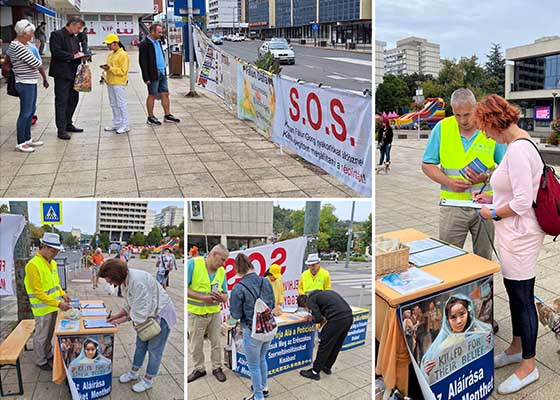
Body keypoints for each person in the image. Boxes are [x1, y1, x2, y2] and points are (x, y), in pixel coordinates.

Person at [472, 94, 545, 394]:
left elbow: (522, 201)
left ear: (493, 121)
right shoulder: (523, 143)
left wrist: (492, 212)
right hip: (518, 234)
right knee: (517, 295)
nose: (486, 134)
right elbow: (518, 189)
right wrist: (492, 197)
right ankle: (516, 347)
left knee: (522, 298)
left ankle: (529, 365)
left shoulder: (516, 151)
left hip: (520, 236)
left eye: (485, 127)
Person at [100, 258, 177, 393]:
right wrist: (116, 316)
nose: (109, 283)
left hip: (160, 315)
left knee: (154, 350)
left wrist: (119, 321)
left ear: (115, 275)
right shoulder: (125, 281)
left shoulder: (137, 281)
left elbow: (140, 311)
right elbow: (129, 304)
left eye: (109, 280)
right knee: (140, 345)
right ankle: (134, 372)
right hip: (148, 315)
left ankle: (148, 380)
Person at [230, 253, 276, 400]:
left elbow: (236, 314)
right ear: (251, 265)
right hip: (268, 329)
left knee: (254, 365)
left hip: (252, 331)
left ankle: (258, 396)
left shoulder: (238, 288)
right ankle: (264, 386)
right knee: (262, 359)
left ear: (237, 268)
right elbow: (272, 304)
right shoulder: (265, 281)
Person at [24, 232, 72, 371]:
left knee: (49, 334)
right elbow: (38, 292)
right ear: (43, 246)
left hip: (53, 306)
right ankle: (40, 360)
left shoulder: (52, 263)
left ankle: (48, 354)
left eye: (57, 251)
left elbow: (56, 284)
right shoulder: (33, 265)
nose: (55, 254)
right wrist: (59, 303)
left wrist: (63, 295)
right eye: (52, 250)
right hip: (42, 309)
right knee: (41, 336)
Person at [421, 296, 492, 383]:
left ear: (468, 312)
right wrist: (428, 372)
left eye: (462, 314)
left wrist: (487, 343)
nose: (459, 321)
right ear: (447, 320)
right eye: (453, 317)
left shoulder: (479, 333)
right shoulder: (445, 345)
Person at [187, 244, 229, 383]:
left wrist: (221, 297)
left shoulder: (221, 271)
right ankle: (199, 368)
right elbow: (185, 289)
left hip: (214, 313)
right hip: (196, 313)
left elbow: (225, 295)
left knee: (216, 342)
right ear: (213, 254)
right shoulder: (193, 264)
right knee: (196, 344)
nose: (223, 264)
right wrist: (203, 298)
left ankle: (217, 367)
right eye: (222, 260)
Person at [7, 19, 47, 153]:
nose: (32, 36)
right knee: (25, 113)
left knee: (31, 111)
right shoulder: (17, 46)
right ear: (24, 33)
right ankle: (21, 142)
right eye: (31, 33)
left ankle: (27, 138)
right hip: (24, 82)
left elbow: (37, 61)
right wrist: (34, 55)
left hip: (30, 81)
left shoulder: (23, 45)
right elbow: (36, 63)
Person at [297, 290, 353, 380]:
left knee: (324, 345)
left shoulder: (310, 301)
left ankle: (315, 372)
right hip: (348, 317)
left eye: (305, 309)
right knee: (336, 344)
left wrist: (312, 318)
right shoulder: (320, 294)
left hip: (337, 319)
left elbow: (318, 318)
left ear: (305, 304)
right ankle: (327, 367)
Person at [49, 16, 86, 140]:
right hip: (62, 74)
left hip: (74, 73)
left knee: (73, 99)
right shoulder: (57, 34)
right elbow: (56, 52)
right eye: (78, 28)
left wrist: (82, 56)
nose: (79, 31)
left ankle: (68, 123)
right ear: (72, 24)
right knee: (61, 101)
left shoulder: (75, 38)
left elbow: (77, 51)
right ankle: (61, 129)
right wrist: (72, 56)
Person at [138, 22, 180, 125]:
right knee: (152, 94)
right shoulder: (145, 44)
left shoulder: (158, 42)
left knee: (165, 93)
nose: (161, 34)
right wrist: (146, 77)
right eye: (159, 32)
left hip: (162, 72)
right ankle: (150, 117)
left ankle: (167, 115)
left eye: (161, 32)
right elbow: (142, 62)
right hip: (153, 73)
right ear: (152, 31)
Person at [101, 33, 130, 134]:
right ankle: (117, 122)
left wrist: (110, 69)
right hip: (110, 81)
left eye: (109, 44)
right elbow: (109, 66)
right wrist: (105, 71)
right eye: (107, 44)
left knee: (121, 103)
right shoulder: (111, 54)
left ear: (116, 43)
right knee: (113, 103)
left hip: (119, 82)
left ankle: (125, 125)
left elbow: (123, 70)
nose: (108, 46)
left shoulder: (123, 54)